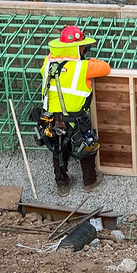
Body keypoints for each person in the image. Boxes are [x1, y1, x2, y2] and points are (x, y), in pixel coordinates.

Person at [36, 25, 111, 197]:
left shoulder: (48, 63)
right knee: (87, 146)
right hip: (76, 118)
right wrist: (86, 61)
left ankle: (62, 184)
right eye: (83, 46)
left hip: (52, 119)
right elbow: (105, 68)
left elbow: (48, 63)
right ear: (77, 48)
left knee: (59, 149)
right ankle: (90, 182)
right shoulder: (83, 67)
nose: (85, 49)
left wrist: (59, 53)